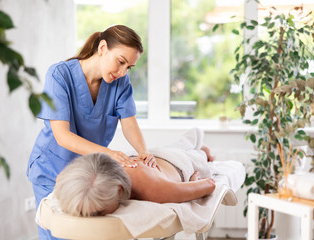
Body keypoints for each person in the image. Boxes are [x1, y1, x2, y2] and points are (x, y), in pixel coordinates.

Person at [27, 25, 155, 240]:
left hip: (89, 176)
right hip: (51, 170)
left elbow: (129, 123)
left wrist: (143, 151)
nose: (123, 72)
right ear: (103, 48)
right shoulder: (60, 75)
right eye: (121, 62)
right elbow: (62, 135)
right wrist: (109, 153)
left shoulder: (120, 82)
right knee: (59, 235)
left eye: (129, 67)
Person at [53, 145, 216, 217]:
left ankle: (203, 150)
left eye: (97, 213)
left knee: (199, 155)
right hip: (141, 156)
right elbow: (62, 180)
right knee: (179, 144)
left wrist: (192, 182)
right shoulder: (76, 179)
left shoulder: (154, 190)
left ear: (119, 190)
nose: (90, 218)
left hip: (177, 161)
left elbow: (209, 185)